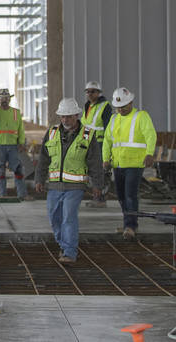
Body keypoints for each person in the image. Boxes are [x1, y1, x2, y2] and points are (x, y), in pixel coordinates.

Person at [35, 98, 104, 264]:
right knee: (54, 217)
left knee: (68, 217)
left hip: (75, 187)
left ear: (77, 115)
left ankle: (69, 252)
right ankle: (63, 244)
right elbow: (43, 159)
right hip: (54, 186)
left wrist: (97, 185)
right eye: (63, 116)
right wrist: (39, 179)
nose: (65, 120)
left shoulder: (88, 135)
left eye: (69, 116)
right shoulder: (51, 133)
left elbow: (95, 162)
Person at [102, 87, 157, 239]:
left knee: (130, 195)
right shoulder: (114, 119)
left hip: (135, 164)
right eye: (118, 107)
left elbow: (150, 135)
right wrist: (106, 159)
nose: (120, 109)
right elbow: (107, 141)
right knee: (120, 196)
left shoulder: (141, 116)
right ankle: (129, 223)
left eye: (124, 106)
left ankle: (130, 226)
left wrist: (149, 154)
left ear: (131, 102)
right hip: (118, 164)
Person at [0, 88, 27, 199]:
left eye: (6, 98)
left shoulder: (15, 112)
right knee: (0, 170)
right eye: (2, 98)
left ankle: (21, 194)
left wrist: (21, 142)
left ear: (9, 99)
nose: (4, 100)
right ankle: (2, 194)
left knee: (18, 169)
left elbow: (20, 129)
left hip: (13, 145)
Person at [81, 81, 112, 207]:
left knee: (99, 171)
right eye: (87, 91)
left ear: (99, 93)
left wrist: (108, 148)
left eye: (93, 91)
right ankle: (96, 196)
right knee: (91, 171)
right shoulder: (87, 106)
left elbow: (108, 128)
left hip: (99, 143)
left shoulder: (105, 106)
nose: (89, 94)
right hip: (88, 142)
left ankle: (100, 198)